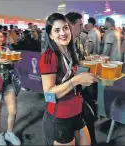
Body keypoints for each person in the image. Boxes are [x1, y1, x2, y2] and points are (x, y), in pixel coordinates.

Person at [39, 13, 99, 146]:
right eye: (57, 30)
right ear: (50, 35)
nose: (63, 33)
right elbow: (49, 95)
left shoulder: (70, 50)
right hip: (60, 116)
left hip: (76, 111)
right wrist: (75, 81)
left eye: (65, 28)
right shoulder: (49, 56)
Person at [66, 12, 97, 145]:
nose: (82, 27)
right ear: (71, 25)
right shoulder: (63, 46)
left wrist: (90, 60)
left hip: (77, 89)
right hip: (67, 95)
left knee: (88, 118)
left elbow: (80, 59)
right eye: (79, 24)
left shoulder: (77, 41)